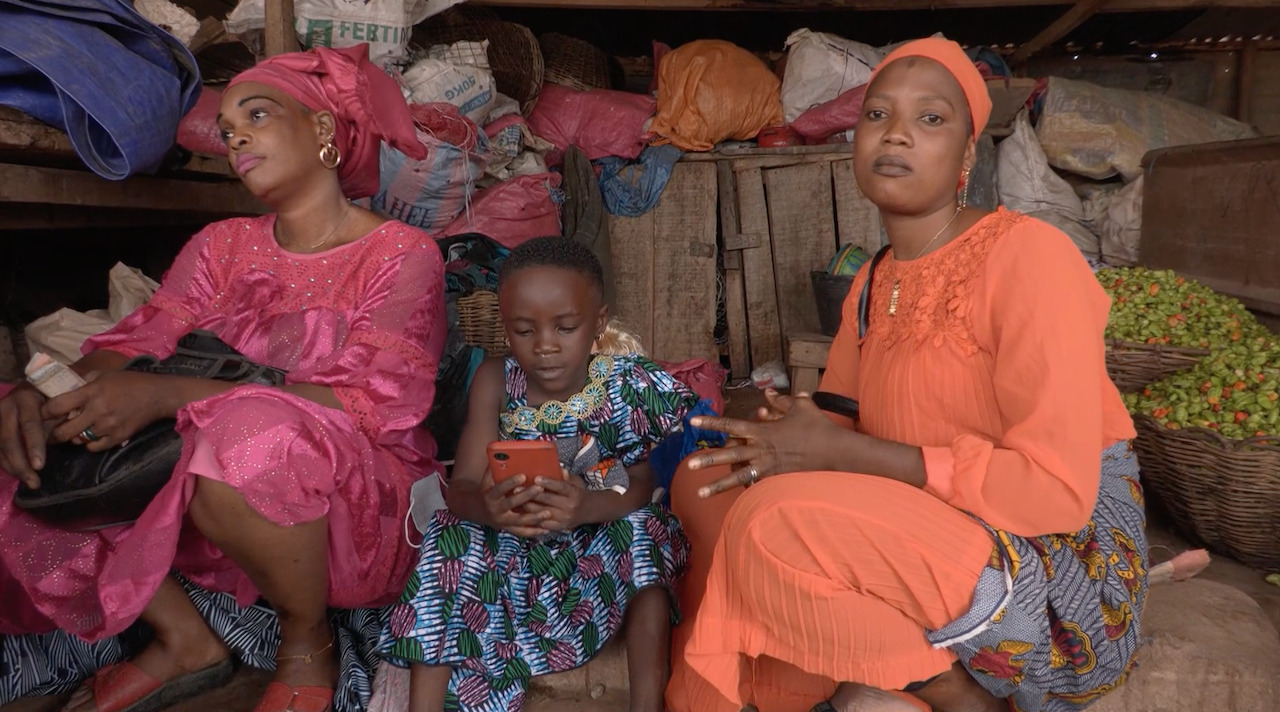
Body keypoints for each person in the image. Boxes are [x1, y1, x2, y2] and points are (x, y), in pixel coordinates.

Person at [665, 37, 1147, 712]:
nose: (896, 133)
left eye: (930, 118)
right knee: (702, 484)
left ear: (967, 154)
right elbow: (838, 425)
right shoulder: (871, 283)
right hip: (924, 529)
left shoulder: (1031, 257)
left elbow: (1055, 493)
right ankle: (788, 672)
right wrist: (783, 439)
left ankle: (956, 692)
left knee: (774, 524)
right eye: (877, 114)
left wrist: (839, 454)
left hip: (1053, 567)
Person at [0, 44, 445, 712]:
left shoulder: (401, 252)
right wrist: (46, 392)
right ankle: (183, 636)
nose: (235, 136)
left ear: (322, 128)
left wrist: (168, 395)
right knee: (17, 430)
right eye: (229, 127)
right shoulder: (221, 245)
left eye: (257, 115)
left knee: (246, 430)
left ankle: (306, 641)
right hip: (204, 488)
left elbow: (372, 405)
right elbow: (140, 341)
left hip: (350, 502)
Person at [378, 237, 697, 712]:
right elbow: (461, 486)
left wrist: (585, 507)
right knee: (449, 532)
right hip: (513, 555)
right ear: (505, 326)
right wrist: (489, 509)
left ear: (598, 323)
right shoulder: (496, 381)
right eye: (524, 330)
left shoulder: (625, 384)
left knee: (648, 530)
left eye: (566, 327)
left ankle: (646, 707)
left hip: (594, 553)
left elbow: (641, 483)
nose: (545, 346)